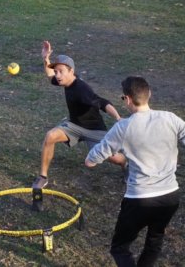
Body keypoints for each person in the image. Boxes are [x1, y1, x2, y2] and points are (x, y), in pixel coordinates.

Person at [85, 76, 185, 266]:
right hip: (170, 196)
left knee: (119, 247)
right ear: (149, 95)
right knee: (154, 241)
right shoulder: (170, 118)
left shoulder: (123, 127)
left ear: (128, 99)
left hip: (140, 199)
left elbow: (91, 161)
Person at [32, 41, 126, 189]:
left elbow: (102, 102)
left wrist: (118, 118)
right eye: (56, 71)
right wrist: (46, 59)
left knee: (114, 158)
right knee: (50, 136)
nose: (57, 75)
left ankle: (126, 164)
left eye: (61, 71)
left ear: (71, 71)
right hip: (75, 125)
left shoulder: (82, 89)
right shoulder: (63, 81)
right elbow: (50, 76)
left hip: (95, 129)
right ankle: (43, 177)